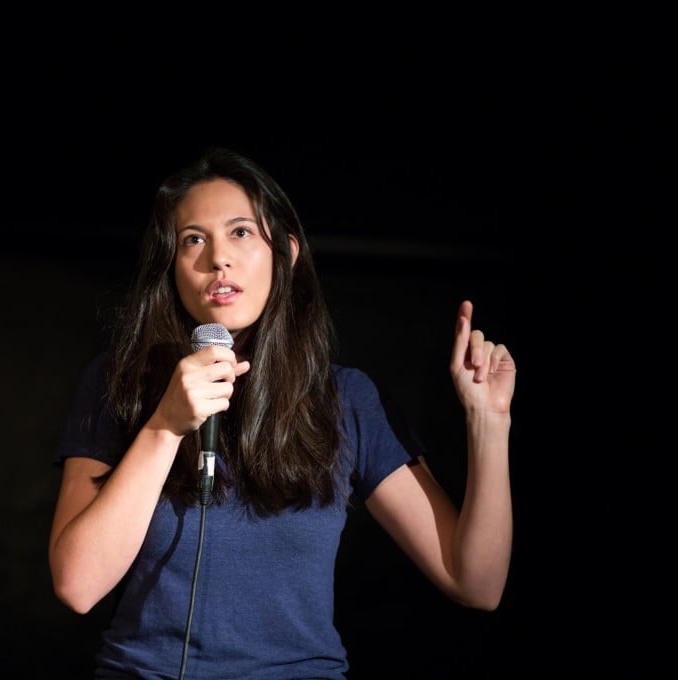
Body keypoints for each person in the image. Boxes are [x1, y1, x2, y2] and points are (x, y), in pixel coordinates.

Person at [49, 146, 515, 679]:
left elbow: (475, 583)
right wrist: (163, 427)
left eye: (241, 232)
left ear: (286, 253)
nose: (217, 258)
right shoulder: (118, 384)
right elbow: (76, 584)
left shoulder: (347, 401)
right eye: (192, 240)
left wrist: (489, 423)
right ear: (171, 268)